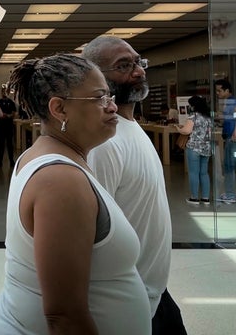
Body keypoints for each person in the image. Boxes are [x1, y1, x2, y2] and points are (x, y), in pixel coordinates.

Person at [0, 53, 150, 334]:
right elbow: (64, 316)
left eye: (109, 96)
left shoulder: (55, 158)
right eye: (99, 98)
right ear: (59, 109)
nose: (112, 107)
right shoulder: (60, 180)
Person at [82, 36, 187, 334]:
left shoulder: (129, 125)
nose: (138, 71)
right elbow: (90, 233)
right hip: (127, 301)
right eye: (123, 66)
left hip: (154, 291)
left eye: (138, 62)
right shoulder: (104, 143)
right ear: (95, 76)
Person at [215, 79, 236, 204]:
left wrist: (235, 130)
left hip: (234, 139)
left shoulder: (231, 102)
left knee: (229, 166)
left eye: (219, 91)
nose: (217, 93)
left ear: (227, 91)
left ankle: (229, 194)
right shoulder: (227, 103)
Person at [176, 95, 213, 205]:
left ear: (193, 105)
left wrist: (178, 128)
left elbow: (186, 131)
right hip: (206, 148)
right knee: (204, 173)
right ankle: (206, 198)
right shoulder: (208, 117)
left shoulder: (193, 116)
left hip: (194, 148)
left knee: (193, 173)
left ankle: (194, 197)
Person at [0, 86, 17, 168]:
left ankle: (11, 161)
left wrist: (9, 115)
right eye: (3, 92)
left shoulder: (11, 102)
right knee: (1, 144)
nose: (4, 94)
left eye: (6, 92)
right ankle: (0, 161)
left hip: (9, 125)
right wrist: (1, 115)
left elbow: (14, 112)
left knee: (9, 144)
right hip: (1, 125)